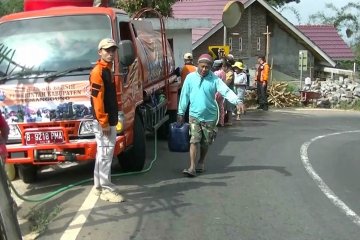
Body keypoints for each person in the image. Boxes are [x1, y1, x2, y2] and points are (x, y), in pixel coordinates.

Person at [177, 53, 244, 177]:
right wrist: (180, 112)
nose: (204, 69)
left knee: (205, 142)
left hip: (210, 116)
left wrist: (238, 101)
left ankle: (201, 161)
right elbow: (184, 96)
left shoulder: (215, 79)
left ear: (210, 67)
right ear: (197, 64)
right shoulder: (190, 78)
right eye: (202, 66)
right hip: (194, 115)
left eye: (207, 67)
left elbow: (226, 91)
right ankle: (191, 167)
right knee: (194, 140)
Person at [89, 38, 124, 203]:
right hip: (104, 122)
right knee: (105, 155)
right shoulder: (98, 72)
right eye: (107, 50)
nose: (110, 53)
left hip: (108, 120)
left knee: (102, 154)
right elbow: (97, 100)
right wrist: (103, 122)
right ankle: (106, 189)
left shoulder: (107, 70)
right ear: (100, 52)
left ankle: (98, 187)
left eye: (112, 50)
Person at [213, 60, 226, 126]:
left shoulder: (216, 73)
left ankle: (216, 121)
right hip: (222, 91)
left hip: (216, 91)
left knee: (215, 107)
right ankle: (221, 121)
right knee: (221, 107)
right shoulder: (223, 72)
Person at [222, 59, 235, 126]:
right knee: (224, 106)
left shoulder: (230, 73)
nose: (222, 69)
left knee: (229, 107)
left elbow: (228, 82)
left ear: (226, 67)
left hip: (230, 92)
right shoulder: (227, 73)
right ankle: (224, 120)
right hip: (226, 92)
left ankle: (230, 121)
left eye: (223, 67)